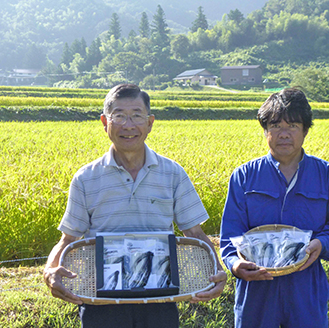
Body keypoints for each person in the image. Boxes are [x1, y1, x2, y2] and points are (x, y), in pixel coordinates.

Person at [44, 84, 226, 328]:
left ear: (150, 123)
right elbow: (68, 238)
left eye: (137, 116)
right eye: (119, 116)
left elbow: (194, 233)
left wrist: (217, 270)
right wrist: (49, 270)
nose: (128, 125)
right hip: (102, 301)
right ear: (104, 122)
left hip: (160, 299)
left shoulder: (173, 173)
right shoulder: (86, 177)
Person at [220, 88, 329, 328]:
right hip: (256, 287)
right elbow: (231, 233)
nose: (283, 134)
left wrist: (321, 243)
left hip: (306, 284)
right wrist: (235, 264)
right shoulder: (244, 176)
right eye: (275, 125)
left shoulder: (327, 174)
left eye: (292, 126)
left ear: (305, 131)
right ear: (265, 131)